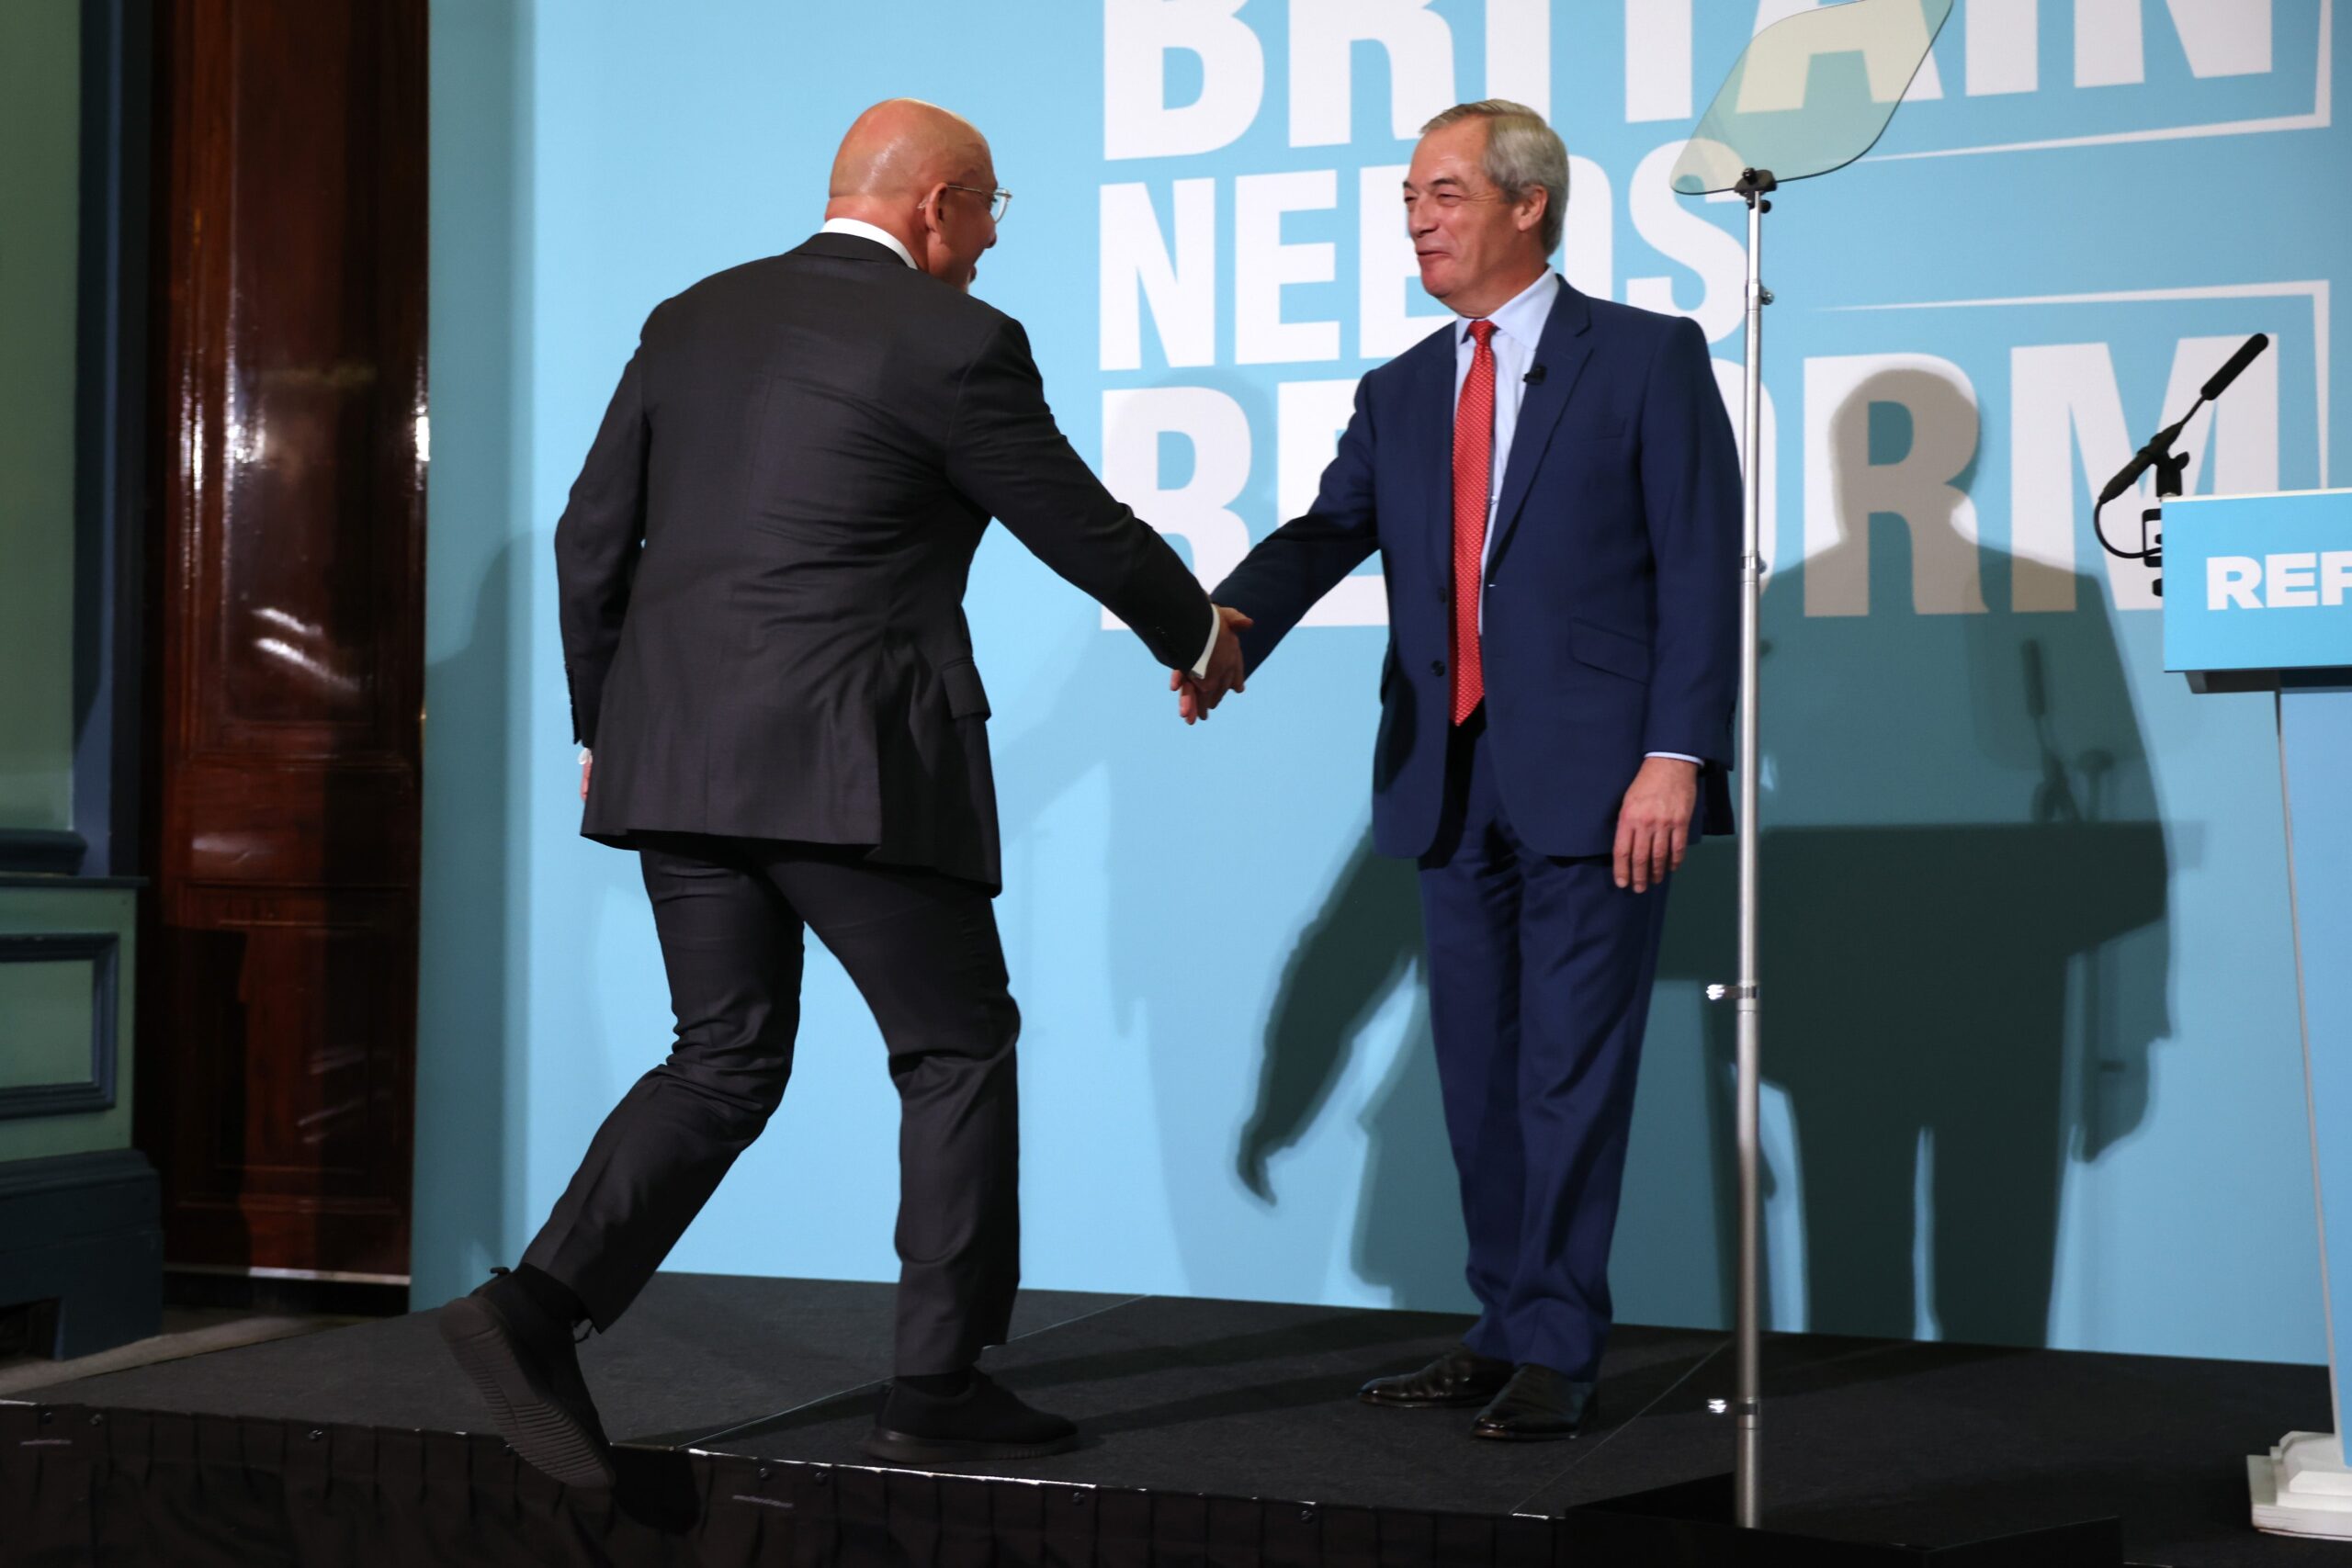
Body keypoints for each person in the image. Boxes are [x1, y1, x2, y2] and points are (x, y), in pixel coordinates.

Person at [439, 97, 1248, 1487]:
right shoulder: (954, 342)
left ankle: (533, 1310)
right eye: (991, 207)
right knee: (953, 1046)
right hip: (850, 765)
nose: (995, 240)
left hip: (674, 758)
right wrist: (1200, 633)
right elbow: (1077, 521)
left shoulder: (691, 316)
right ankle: (934, 1385)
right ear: (934, 204)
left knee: (724, 1055)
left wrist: (603, 725)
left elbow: (590, 538)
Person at [1182, 100, 1739, 1440]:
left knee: (1566, 1068)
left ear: (1526, 203)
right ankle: (1504, 1327)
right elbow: (1327, 534)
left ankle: (1558, 1339)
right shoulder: (1404, 388)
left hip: (1605, 781)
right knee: (1476, 1076)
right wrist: (1223, 631)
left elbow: (1701, 566)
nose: (1417, 221)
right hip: (1446, 776)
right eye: (1410, 201)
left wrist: (1678, 755)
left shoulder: (1650, 357)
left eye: (1441, 195)